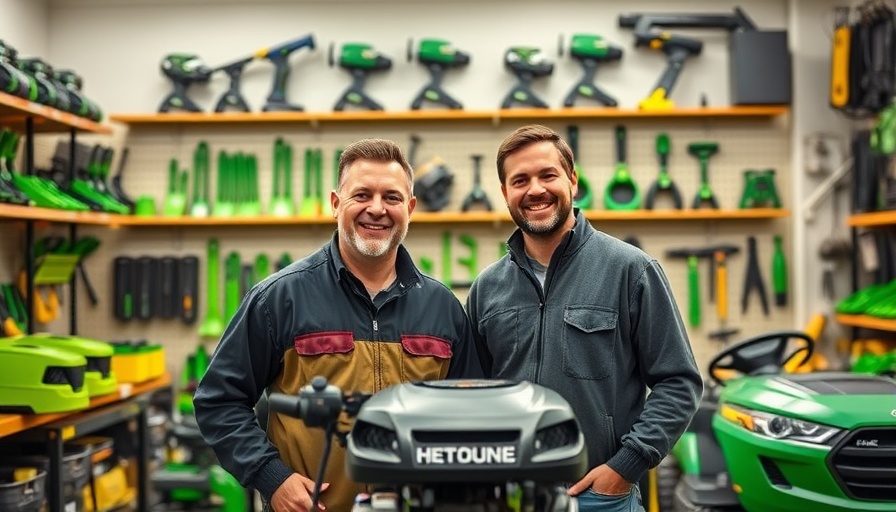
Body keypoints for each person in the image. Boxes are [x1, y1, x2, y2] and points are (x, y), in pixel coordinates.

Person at [193, 138, 483, 512]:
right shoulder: (279, 299)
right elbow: (219, 400)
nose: (376, 209)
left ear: (410, 208)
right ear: (335, 204)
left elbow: (470, 414)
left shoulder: (443, 308)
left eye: (392, 198)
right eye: (361, 195)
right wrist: (271, 477)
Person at [465, 124, 703, 512]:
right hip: (508, 496)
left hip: (600, 495)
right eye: (520, 180)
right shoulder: (487, 288)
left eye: (548, 175)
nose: (535, 189)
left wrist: (626, 466)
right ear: (505, 193)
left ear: (573, 182)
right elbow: (472, 396)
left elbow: (679, 382)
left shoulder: (631, 270)